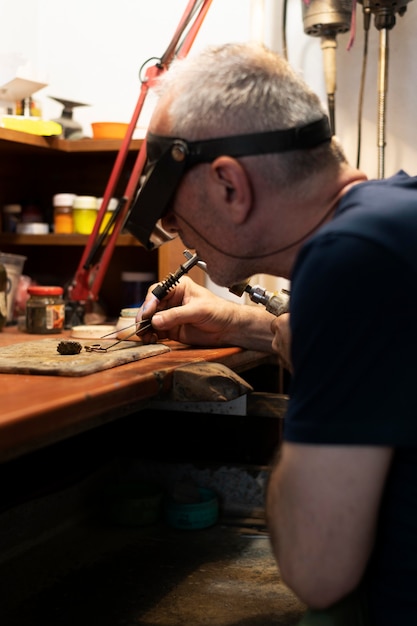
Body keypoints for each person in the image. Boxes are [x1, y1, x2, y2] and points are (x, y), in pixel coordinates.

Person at [125, 41, 417, 625]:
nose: (173, 231)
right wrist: (258, 327)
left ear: (231, 186)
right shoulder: (395, 214)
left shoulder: (348, 260)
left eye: (171, 208)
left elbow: (317, 568)